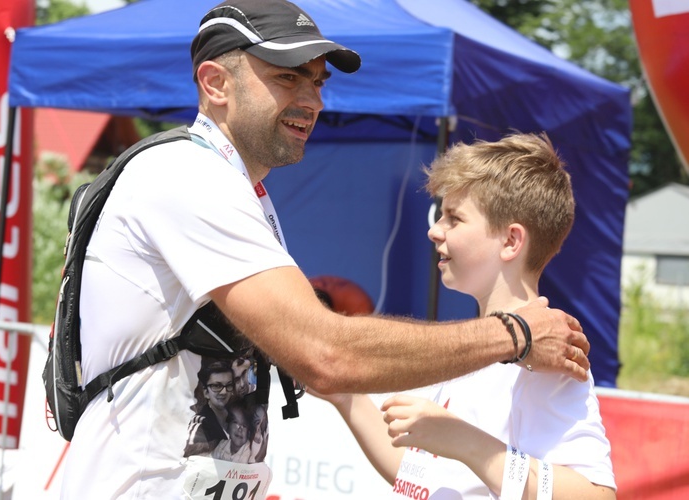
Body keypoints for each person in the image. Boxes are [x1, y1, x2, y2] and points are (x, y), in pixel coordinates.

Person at [60, 0, 592, 498]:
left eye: (317, 81)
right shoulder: (187, 175)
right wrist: (514, 335)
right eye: (286, 77)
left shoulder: (241, 189)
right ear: (215, 82)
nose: (312, 100)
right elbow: (326, 354)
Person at [313, 132, 616, 499]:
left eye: (453, 218)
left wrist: (464, 440)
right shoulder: (479, 342)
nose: (434, 230)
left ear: (510, 242)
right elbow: (425, 480)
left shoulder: (546, 356)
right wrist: (346, 395)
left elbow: (596, 495)